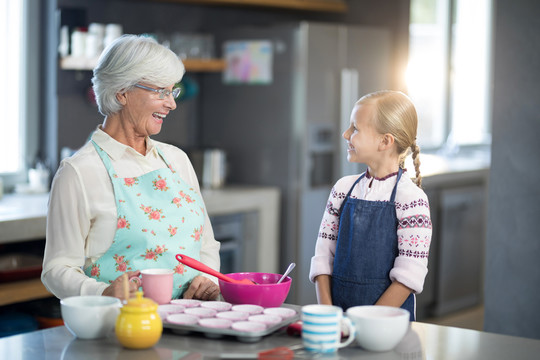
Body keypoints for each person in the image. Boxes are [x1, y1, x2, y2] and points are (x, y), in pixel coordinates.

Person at [41, 35, 221, 302]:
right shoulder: (79, 172)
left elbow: (206, 244)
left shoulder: (177, 160)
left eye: (172, 91)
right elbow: (57, 269)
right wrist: (103, 292)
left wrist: (209, 279)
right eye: (160, 91)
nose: (171, 103)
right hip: (121, 327)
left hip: (190, 323)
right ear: (122, 92)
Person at [309, 90, 432, 320]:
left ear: (385, 141)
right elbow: (323, 260)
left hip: (388, 328)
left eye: (355, 128)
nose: (346, 134)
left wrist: (363, 324)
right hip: (339, 323)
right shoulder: (342, 189)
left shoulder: (411, 200)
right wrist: (328, 317)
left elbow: (408, 277)